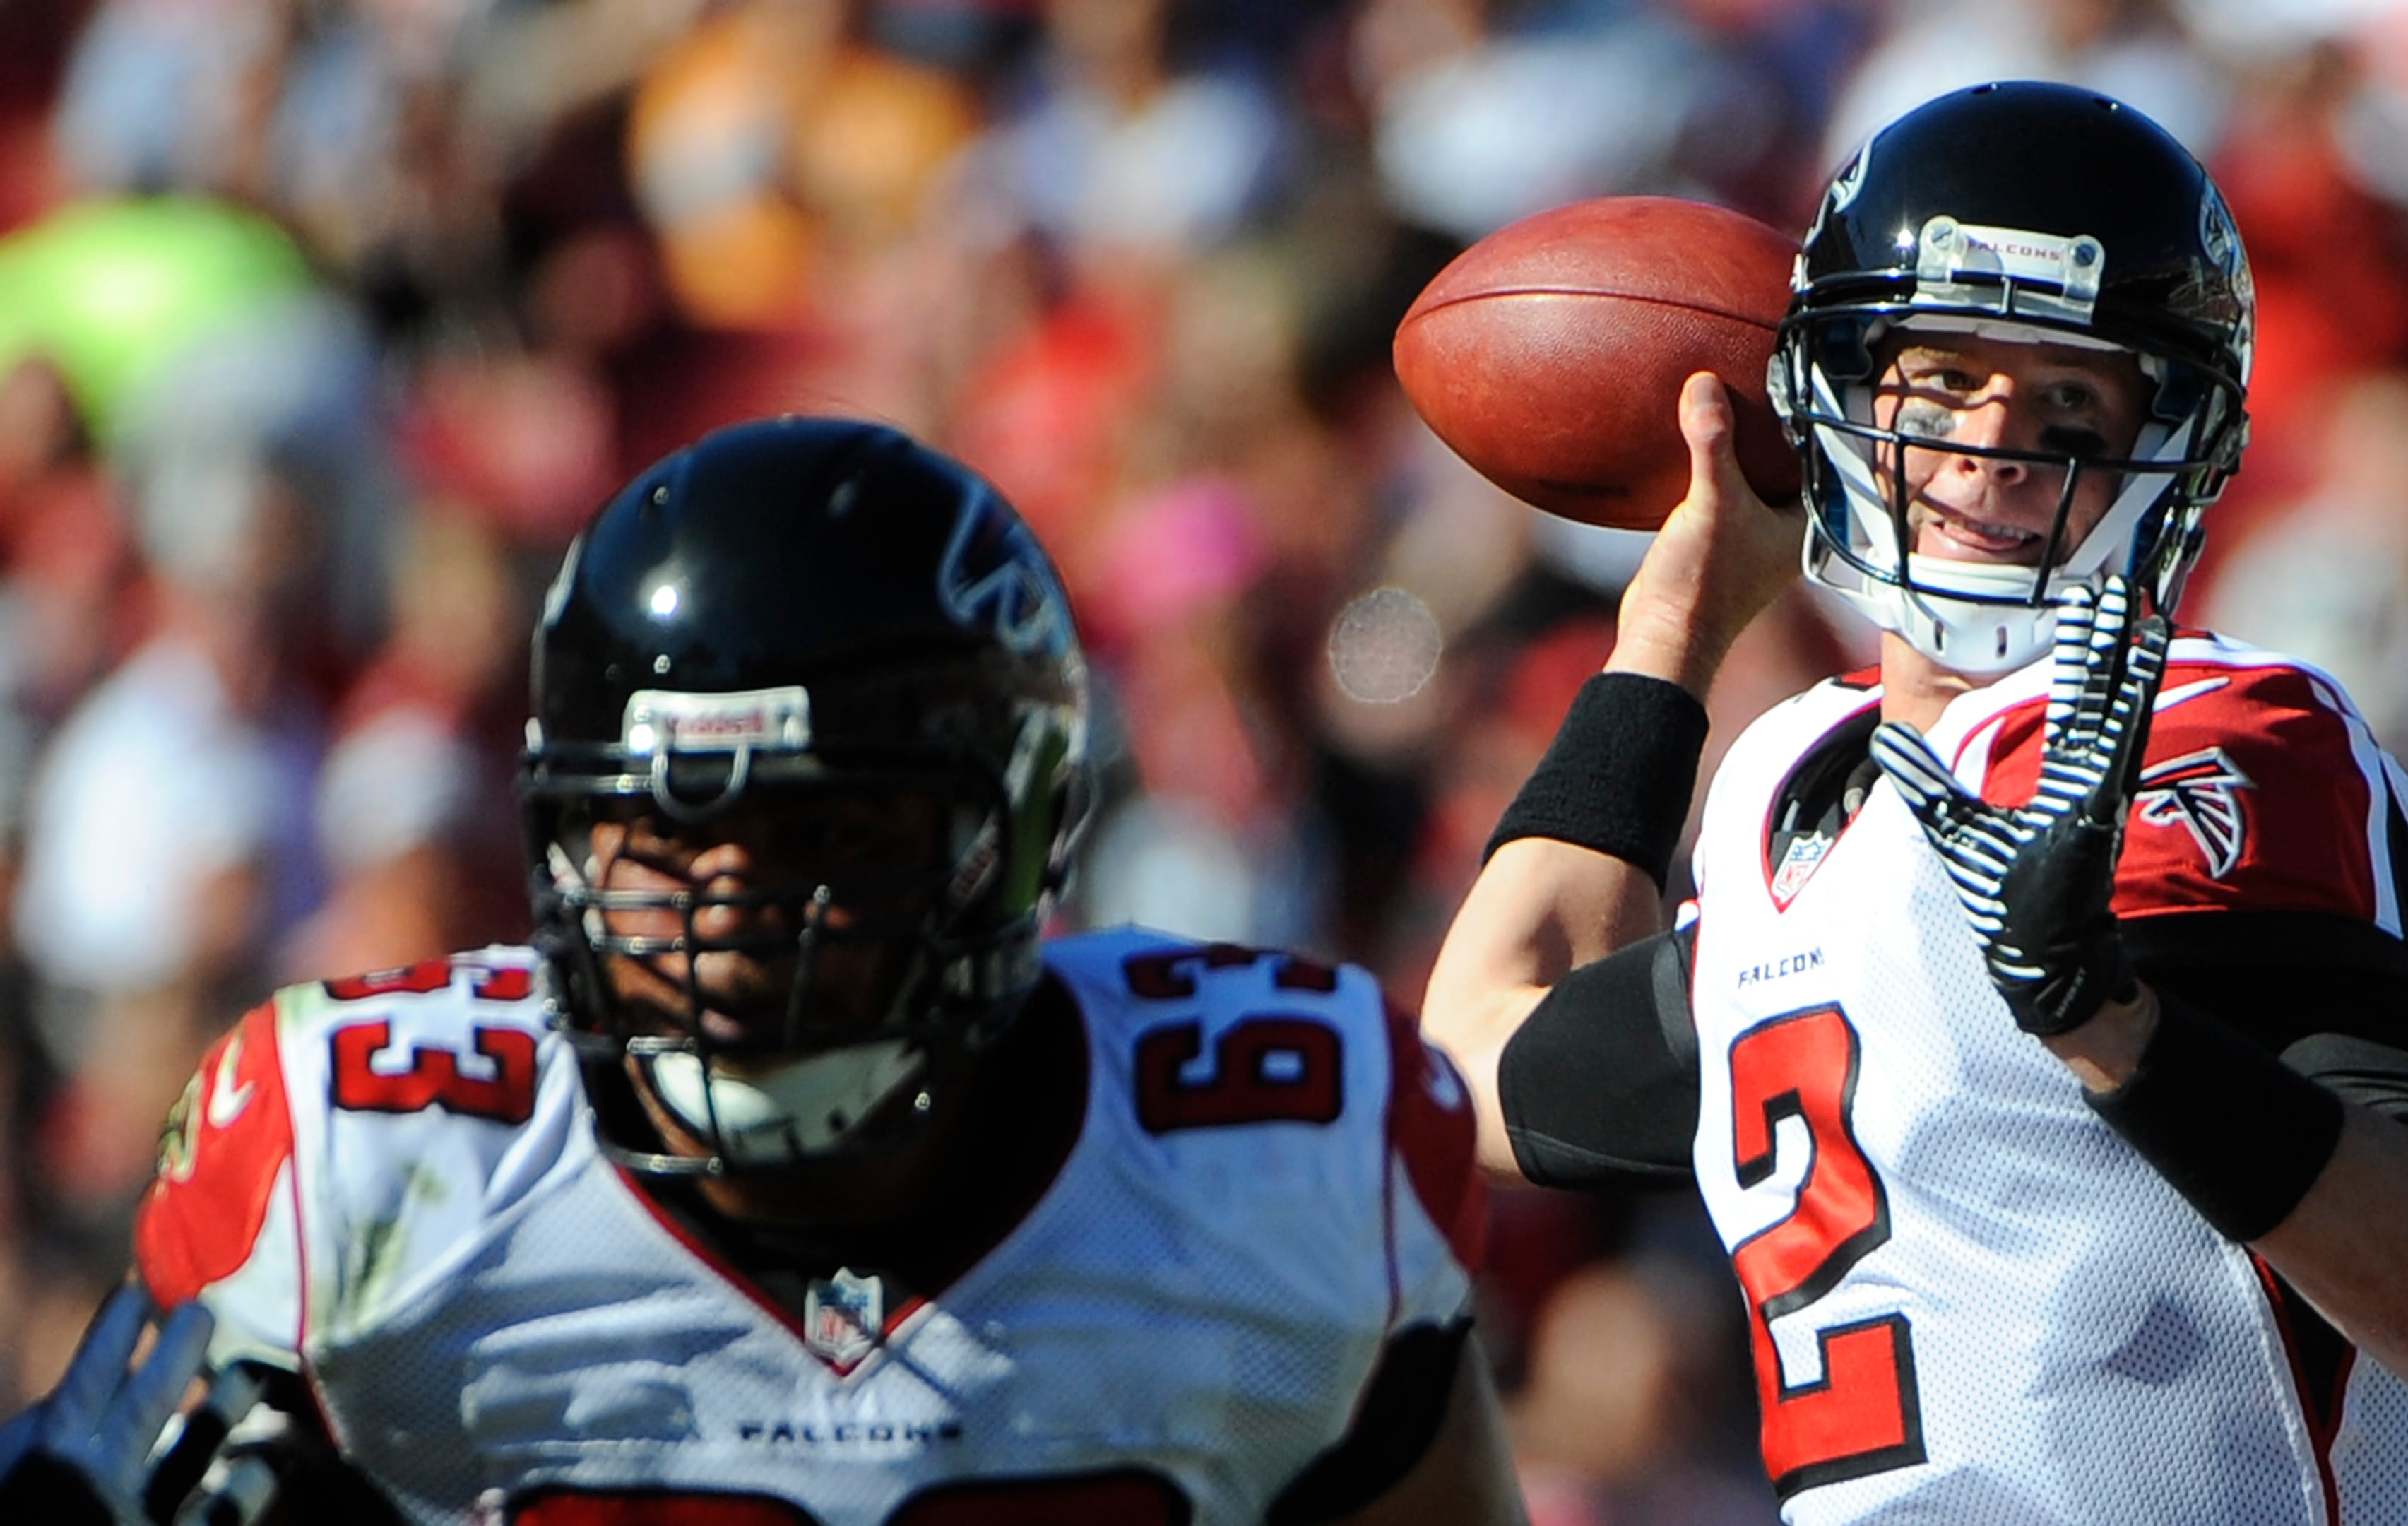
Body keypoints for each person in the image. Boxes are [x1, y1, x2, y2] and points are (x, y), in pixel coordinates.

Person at [0, 417, 1525, 1526]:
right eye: (658, 833)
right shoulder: (360, 1165)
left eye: (826, 832)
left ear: (1015, 835)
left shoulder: (1284, 1152)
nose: (726, 907)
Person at [1423, 81, 2408, 1524]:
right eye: (1943, 380)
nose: (1994, 447)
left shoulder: (2207, 735)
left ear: (2169, 444)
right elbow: (1481, 1058)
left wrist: (2121, 1034)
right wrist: (1669, 644)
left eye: (2070, 400)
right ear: (1837, 397)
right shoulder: (1796, 786)